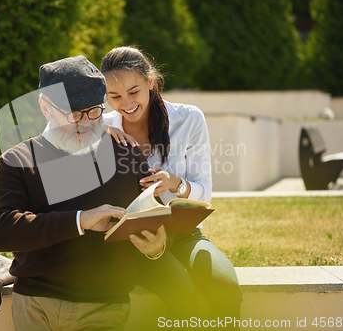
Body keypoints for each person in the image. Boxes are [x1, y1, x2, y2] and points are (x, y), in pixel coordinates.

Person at [0, 55, 167, 331]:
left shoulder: (128, 156)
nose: (84, 122)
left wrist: (156, 249)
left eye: (94, 111)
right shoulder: (17, 160)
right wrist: (80, 220)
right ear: (45, 107)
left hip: (103, 305)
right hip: (35, 304)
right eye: (72, 114)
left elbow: (151, 217)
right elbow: (0, 231)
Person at [101, 46, 242, 329]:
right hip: (133, 241)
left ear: (150, 82)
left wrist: (177, 184)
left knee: (225, 286)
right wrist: (96, 130)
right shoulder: (101, 125)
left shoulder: (189, 119)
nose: (126, 103)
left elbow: (205, 190)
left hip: (184, 234)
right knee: (182, 295)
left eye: (134, 91)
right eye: (114, 96)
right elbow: (48, 138)